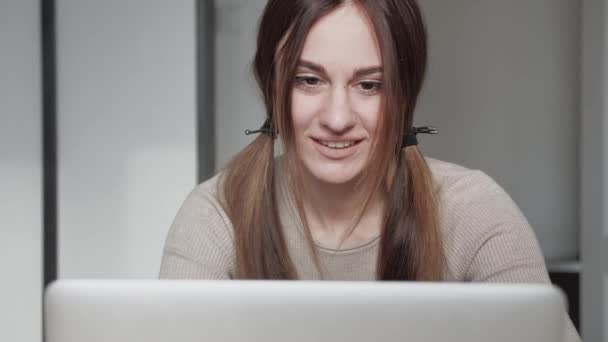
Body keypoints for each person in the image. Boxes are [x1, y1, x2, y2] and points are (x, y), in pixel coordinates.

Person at [159, 1, 581, 341]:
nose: (337, 117)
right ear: (273, 84)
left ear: (404, 95)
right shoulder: (216, 215)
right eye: (308, 80)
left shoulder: (473, 212)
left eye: (369, 85)